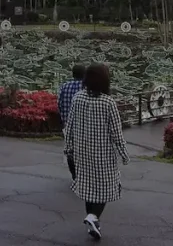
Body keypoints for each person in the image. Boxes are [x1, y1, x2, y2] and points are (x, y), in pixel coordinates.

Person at [63, 63, 129, 240]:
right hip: (103, 154)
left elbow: (69, 126)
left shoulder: (78, 98)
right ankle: (93, 217)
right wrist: (124, 154)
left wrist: (67, 147)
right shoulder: (108, 102)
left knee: (88, 188)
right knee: (107, 187)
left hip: (81, 152)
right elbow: (116, 132)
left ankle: (93, 224)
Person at [58, 64, 86, 180]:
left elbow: (59, 104)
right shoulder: (87, 88)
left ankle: (74, 174)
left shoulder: (64, 86)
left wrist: (63, 119)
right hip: (85, 125)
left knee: (71, 150)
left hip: (68, 124)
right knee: (85, 150)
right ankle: (84, 174)